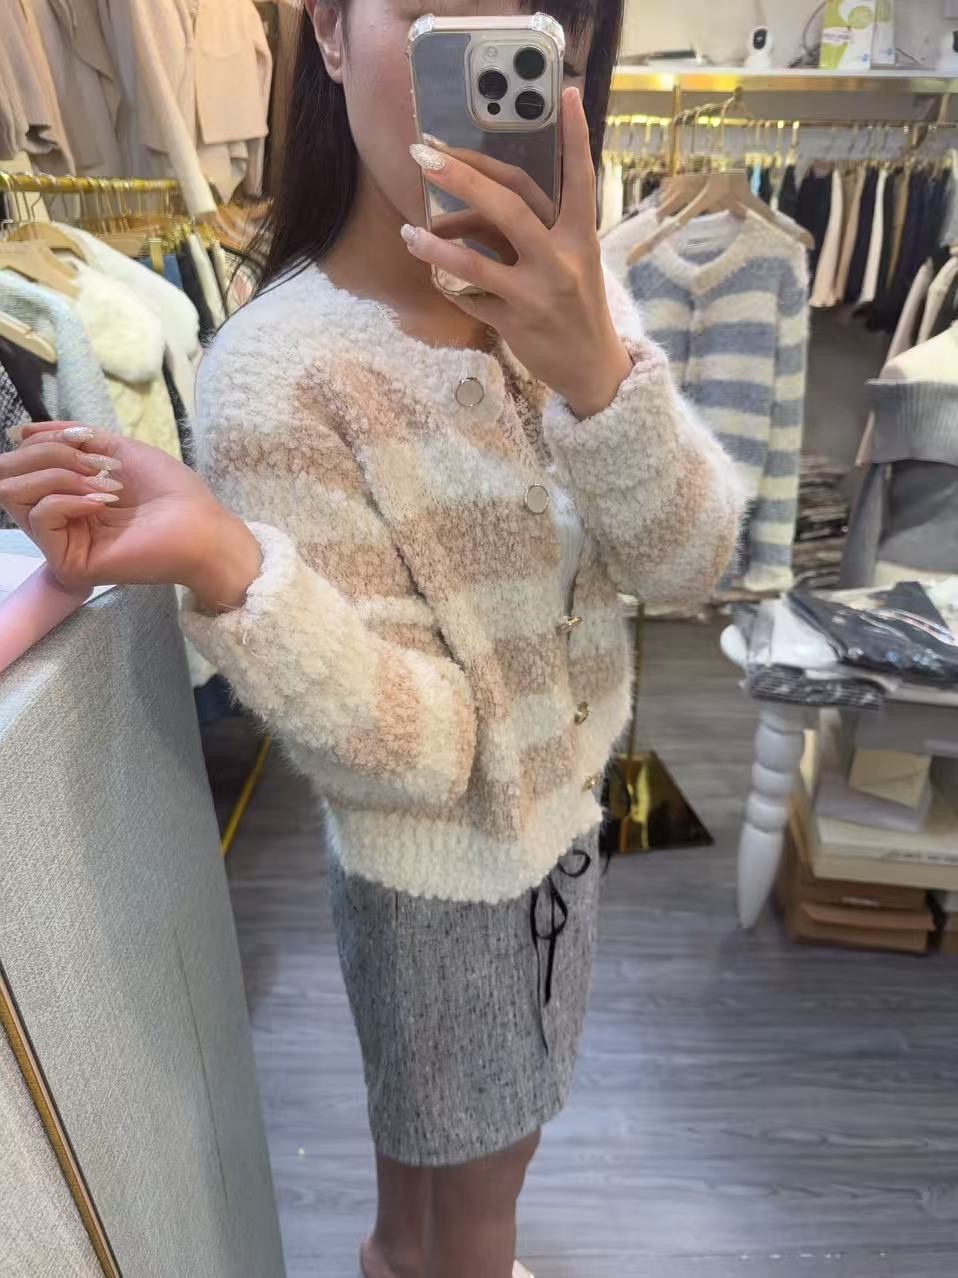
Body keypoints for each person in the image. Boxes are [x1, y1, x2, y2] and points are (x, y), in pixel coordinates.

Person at [0, 2, 744, 1275]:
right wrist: (230, 566)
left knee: (462, 1166)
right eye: (436, 11)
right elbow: (418, 756)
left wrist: (596, 374)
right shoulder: (280, 370)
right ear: (332, 32)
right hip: (444, 884)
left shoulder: (578, 292)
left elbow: (689, 563)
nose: (485, 61)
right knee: (477, 1191)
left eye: (536, 27)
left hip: (562, 830)